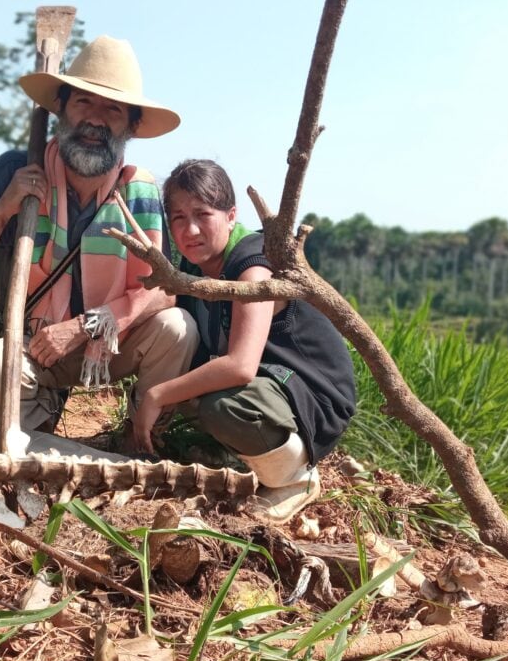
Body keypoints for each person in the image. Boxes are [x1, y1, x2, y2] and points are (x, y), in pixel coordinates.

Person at [0, 36, 197, 437]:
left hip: (111, 344)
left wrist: (86, 326)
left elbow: (164, 291)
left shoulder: (140, 191)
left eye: (113, 109)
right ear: (61, 108)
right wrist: (3, 209)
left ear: (131, 125)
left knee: (178, 327)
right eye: (84, 102)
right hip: (35, 345)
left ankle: (137, 437)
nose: (96, 120)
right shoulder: (16, 171)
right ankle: (40, 409)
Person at [133, 159, 357, 522]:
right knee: (186, 366)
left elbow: (240, 366)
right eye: (178, 218)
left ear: (231, 215)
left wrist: (156, 395)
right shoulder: (195, 268)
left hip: (312, 394)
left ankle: (295, 478)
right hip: (268, 386)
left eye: (203, 214)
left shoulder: (252, 267)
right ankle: (244, 456)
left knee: (223, 406)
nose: (190, 230)